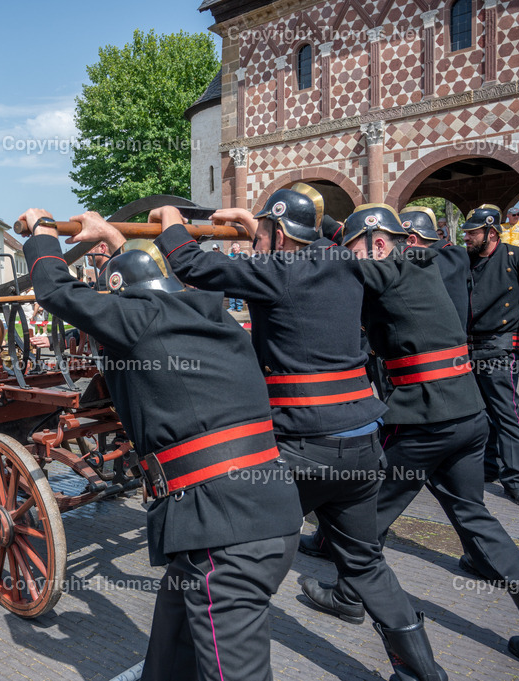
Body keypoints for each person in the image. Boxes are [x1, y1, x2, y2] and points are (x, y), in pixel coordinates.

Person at [150, 185, 446, 680]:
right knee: (366, 563)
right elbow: (317, 241)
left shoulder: (275, 271)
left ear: (280, 233)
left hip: (302, 450)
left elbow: (191, 264)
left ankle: (193, 663)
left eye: (263, 232)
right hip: (362, 443)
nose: (255, 242)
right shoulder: (344, 262)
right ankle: (424, 674)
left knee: (225, 559)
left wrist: (169, 220)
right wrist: (254, 222)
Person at [19, 208, 301, 681]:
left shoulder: (138, 321)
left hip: (221, 529)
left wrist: (43, 234)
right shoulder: (212, 314)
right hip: (257, 513)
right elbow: (145, 285)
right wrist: (117, 243)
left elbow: (57, 291)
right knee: (174, 639)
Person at [299, 203, 519, 670]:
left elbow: (336, 268)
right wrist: (326, 221)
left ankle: (351, 597)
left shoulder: (384, 270)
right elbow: (370, 244)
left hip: (422, 420)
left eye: (358, 248)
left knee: (362, 516)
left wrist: (297, 236)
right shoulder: (438, 260)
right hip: (467, 413)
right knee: (476, 520)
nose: (352, 256)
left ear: (377, 244)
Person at [464, 204, 519, 508]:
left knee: (505, 412)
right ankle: (488, 467)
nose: (468, 237)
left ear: (491, 231)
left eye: (473, 232)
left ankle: (516, 479)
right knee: (478, 413)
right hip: (468, 346)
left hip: (501, 345)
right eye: (467, 232)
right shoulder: (467, 261)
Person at [226, 242, 244, 313]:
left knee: (240, 291)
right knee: (231, 291)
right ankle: (232, 306)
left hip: (240, 275)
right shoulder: (229, 255)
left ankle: (239, 306)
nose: (234, 250)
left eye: (235, 248)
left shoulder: (243, 255)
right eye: (233, 248)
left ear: (239, 248)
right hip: (232, 275)